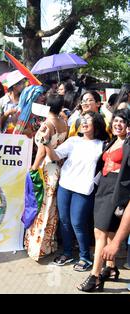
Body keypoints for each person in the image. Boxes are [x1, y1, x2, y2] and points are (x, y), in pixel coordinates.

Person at [43, 111, 109, 272]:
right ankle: (67, 252)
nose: (84, 122)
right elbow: (54, 156)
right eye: (83, 119)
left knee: (78, 223)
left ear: (97, 124)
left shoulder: (103, 145)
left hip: (84, 189)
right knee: (65, 221)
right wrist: (46, 143)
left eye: (89, 120)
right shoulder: (73, 141)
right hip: (65, 185)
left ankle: (85, 257)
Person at [77, 109, 129, 292]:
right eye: (115, 120)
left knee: (99, 232)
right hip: (103, 187)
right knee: (108, 233)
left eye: (122, 121)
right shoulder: (113, 141)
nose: (118, 124)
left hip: (115, 190)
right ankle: (111, 267)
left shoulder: (128, 143)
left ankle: (95, 276)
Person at [25, 95, 68, 261]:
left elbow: (42, 151)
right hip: (57, 168)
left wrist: (33, 168)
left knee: (41, 205)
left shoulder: (46, 125)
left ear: (46, 106)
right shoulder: (64, 123)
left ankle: (38, 246)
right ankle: (48, 244)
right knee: (51, 207)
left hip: (45, 168)